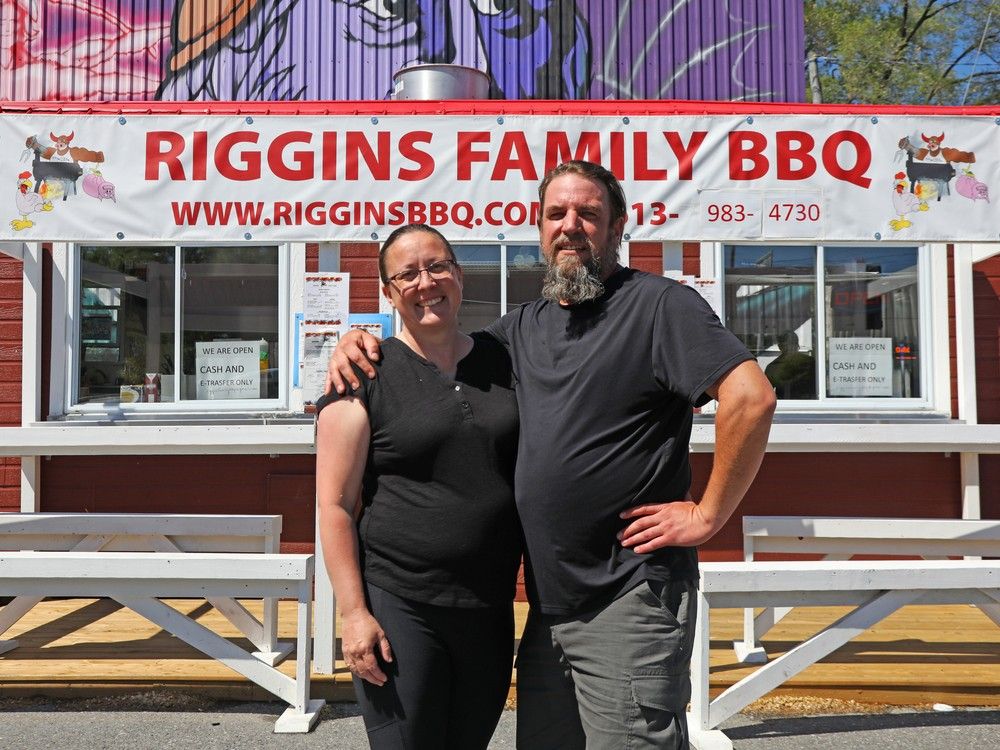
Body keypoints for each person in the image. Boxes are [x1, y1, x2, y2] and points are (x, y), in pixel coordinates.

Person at [326, 161, 777, 749]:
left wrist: (709, 514)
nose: (570, 226)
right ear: (539, 230)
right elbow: (433, 344)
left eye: (588, 214)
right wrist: (359, 340)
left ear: (617, 228)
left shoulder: (660, 307)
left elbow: (752, 398)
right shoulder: (522, 330)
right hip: (548, 609)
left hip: (627, 593)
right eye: (555, 214)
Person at [315, 224, 521, 749]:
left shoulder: (506, 362)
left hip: (488, 604)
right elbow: (335, 505)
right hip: (400, 603)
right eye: (407, 274)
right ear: (388, 292)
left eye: (437, 266)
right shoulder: (361, 377)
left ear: (458, 274)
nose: (425, 282)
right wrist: (354, 613)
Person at [764, 330, 817, 399]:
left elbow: (766, 395)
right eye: (788, 346)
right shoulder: (811, 362)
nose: (790, 349)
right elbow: (766, 395)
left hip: (788, 405)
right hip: (807, 405)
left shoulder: (773, 367)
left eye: (791, 345)